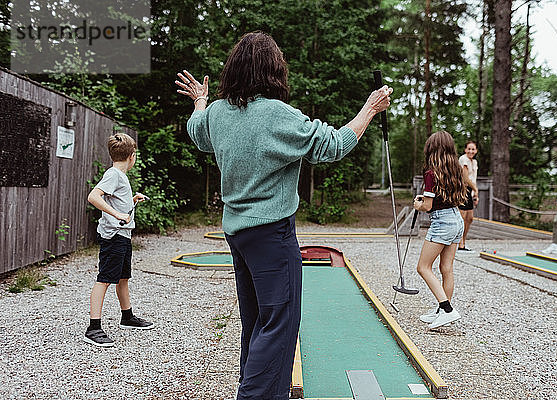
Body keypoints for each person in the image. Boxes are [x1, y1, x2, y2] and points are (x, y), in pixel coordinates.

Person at [177, 31, 392, 399]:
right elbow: (334, 146)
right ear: (274, 71)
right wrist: (370, 109)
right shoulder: (278, 115)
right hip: (273, 237)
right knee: (279, 325)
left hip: (238, 235)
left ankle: (257, 389)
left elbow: (196, 132)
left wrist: (200, 100)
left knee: (257, 323)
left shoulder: (217, 112)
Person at [84, 133, 154, 348]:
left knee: (123, 278)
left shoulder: (119, 176)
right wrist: (117, 214)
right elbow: (93, 197)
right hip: (113, 236)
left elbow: (116, 202)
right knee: (104, 279)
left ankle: (127, 316)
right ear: (132, 156)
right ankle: (93, 328)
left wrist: (131, 201)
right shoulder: (114, 175)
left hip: (122, 236)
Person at [413, 131, 467, 329]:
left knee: (423, 267)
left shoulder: (430, 173)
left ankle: (447, 310)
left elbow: (427, 206)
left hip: (442, 222)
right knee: (446, 268)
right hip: (456, 219)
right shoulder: (456, 168)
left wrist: (418, 205)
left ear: (431, 149)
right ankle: (441, 311)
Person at [457, 141, 479, 252]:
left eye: (473, 149)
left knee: (469, 218)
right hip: (463, 190)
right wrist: (475, 189)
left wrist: (475, 194)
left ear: (476, 151)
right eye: (469, 149)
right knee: (462, 217)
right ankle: (460, 244)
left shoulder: (474, 162)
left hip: (470, 191)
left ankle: (463, 241)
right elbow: (465, 178)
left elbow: (473, 179)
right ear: (465, 150)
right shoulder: (463, 159)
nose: (471, 151)